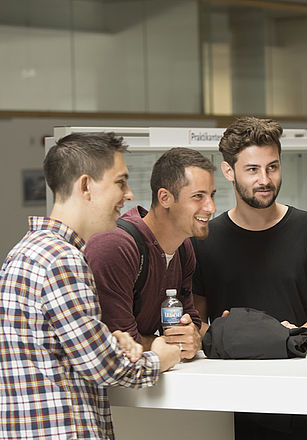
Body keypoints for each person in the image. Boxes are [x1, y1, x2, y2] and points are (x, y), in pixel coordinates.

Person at [0, 132, 180, 440]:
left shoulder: (24, 251)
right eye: (120, 182)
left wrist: (110, 341)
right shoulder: (62, 259)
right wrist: (160, 358)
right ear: (86, 186)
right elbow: (102, 368)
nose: (129, 194)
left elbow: (57, 349)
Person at [192, 116, 307, 440]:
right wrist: (242, 340)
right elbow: (197, 319)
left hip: (305, 399)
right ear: (228, 171)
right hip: (231, 399)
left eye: (273, 167)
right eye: (252, 170)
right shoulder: (204, 240)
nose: (265, 179)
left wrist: (294, 339)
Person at [85, 147, 216, 359]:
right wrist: (163, 342)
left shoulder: (184, 248)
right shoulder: (114, 246)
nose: (211, 207)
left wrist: (191, 336)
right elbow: (119, 343)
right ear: (164, 198)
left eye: (211, 195)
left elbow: (190, 321)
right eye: (198, 196)